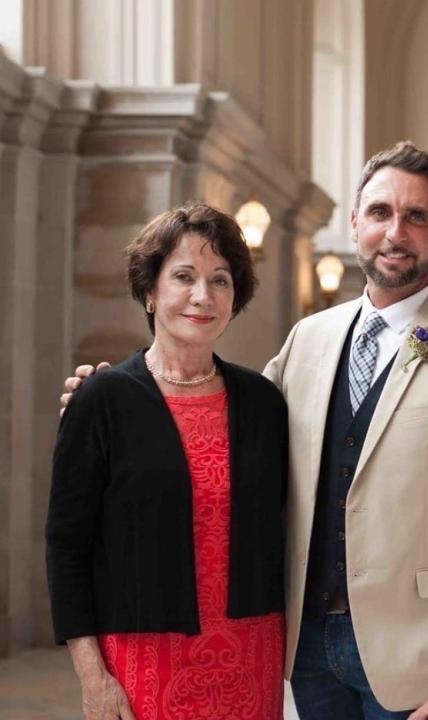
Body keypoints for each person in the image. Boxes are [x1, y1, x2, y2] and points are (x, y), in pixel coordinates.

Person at [63, 141, 428, 720]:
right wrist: (112, 396)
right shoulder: (309, 339)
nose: (396, 231)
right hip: (305, 650)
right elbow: (215, 420)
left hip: (421, 659)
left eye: (417, 217)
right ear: (356, 222)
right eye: (382, 213)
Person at [47, 203, 288, 720]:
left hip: (250, 656)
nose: (203, 296)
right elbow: (66, 546)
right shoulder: (102, 399)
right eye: (184, 276)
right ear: (150, 291)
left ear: (234, 298)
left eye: (220, 281)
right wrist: (94, 678)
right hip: (143, 662)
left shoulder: (264, 402)